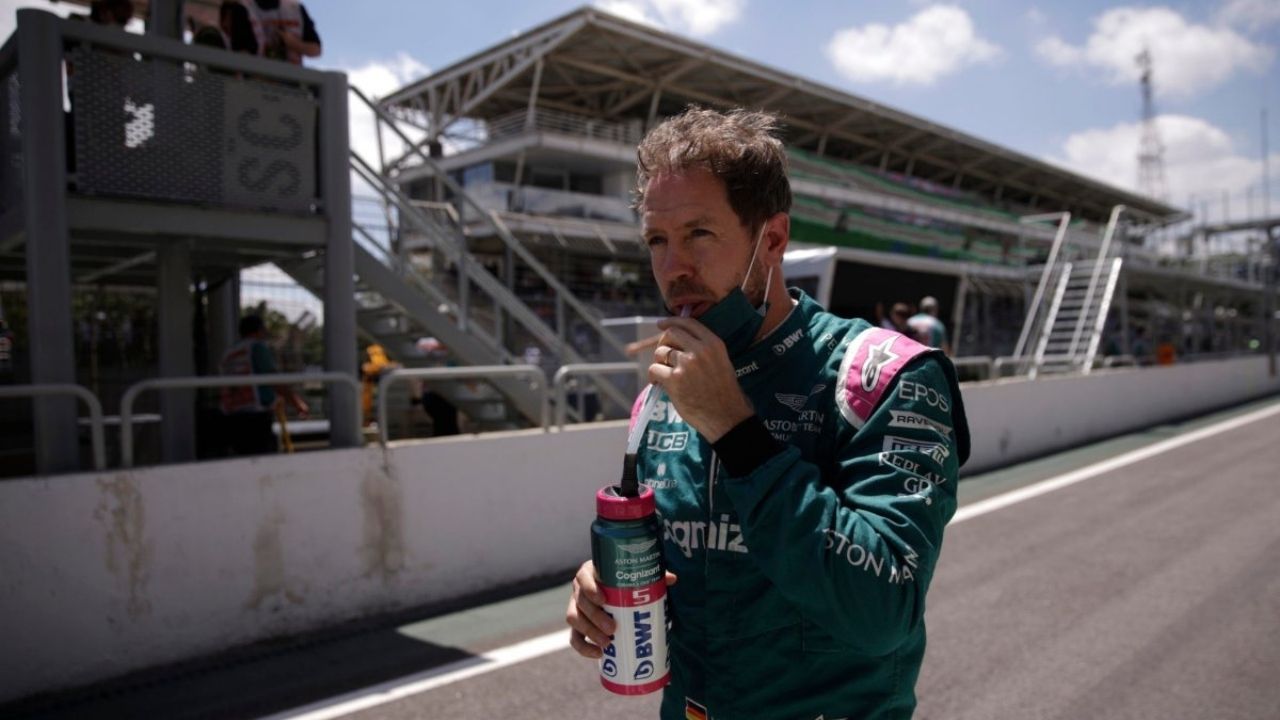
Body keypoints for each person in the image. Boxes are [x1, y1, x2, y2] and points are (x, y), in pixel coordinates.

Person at [565, 108, 970, 720]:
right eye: (657, 240)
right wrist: (600, 590)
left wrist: (737, 432)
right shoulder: (660, 393)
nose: (674, 268)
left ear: (772, 239)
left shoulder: (885, 375)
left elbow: (884, 610)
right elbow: (669, 566)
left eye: (699, 233)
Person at [219, 314, 309, 455]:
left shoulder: (230, 353)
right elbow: (273, 379)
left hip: (232, 415)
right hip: (255, 417)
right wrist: (297, 403)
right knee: (261, 458)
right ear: (259, 330)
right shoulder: (256, 348)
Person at [225, 0, 322, 65]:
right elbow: (240, 57)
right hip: (255, 85)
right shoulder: (242, 9)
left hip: (292, 86)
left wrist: (293, 43)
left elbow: (316, 50)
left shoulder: (295, 8)